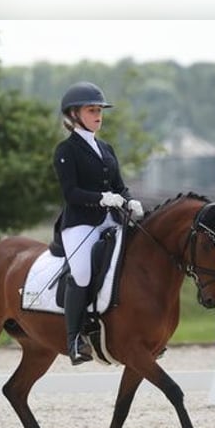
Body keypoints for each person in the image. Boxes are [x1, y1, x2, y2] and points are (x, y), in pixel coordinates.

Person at [53, 81, 144, 365]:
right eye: (92, 110)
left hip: (112, 221)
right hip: (81, 223)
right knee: (81, 273)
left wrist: (129, 200)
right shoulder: (66, 150)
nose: (98, 115)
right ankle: (74, 340)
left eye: (100, 110)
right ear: (74, 115)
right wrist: (101, 199)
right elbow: (71, 193)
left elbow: (119, 185)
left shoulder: (106, 148)